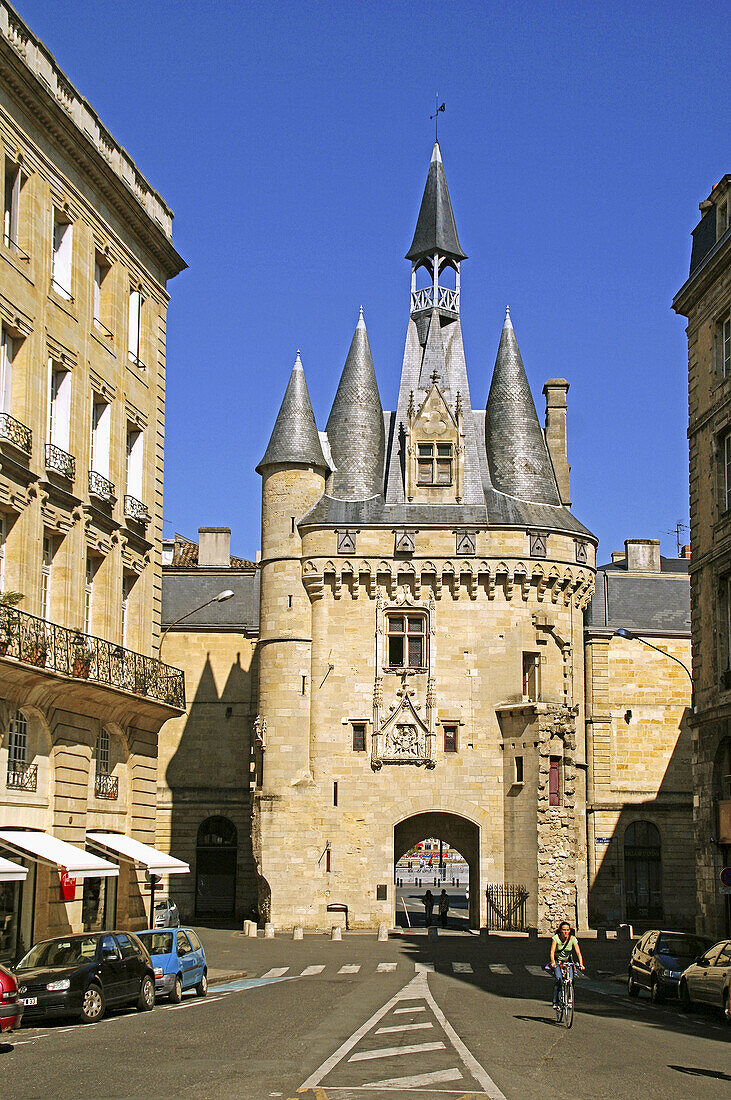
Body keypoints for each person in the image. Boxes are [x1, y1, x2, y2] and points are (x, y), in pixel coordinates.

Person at [549, 920, 584, 1012]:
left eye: (567, 930)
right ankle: (556, 1001)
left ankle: (569, 997)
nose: (566, 932)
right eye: (564, 930)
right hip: (558, 961)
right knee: (559, 980)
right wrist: (553, 962)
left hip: (568, 961)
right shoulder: (556, 938)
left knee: (571, 979)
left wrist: (581, 964)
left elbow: (578, 952)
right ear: (560, 930)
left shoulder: (572, 939)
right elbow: (552, 952)